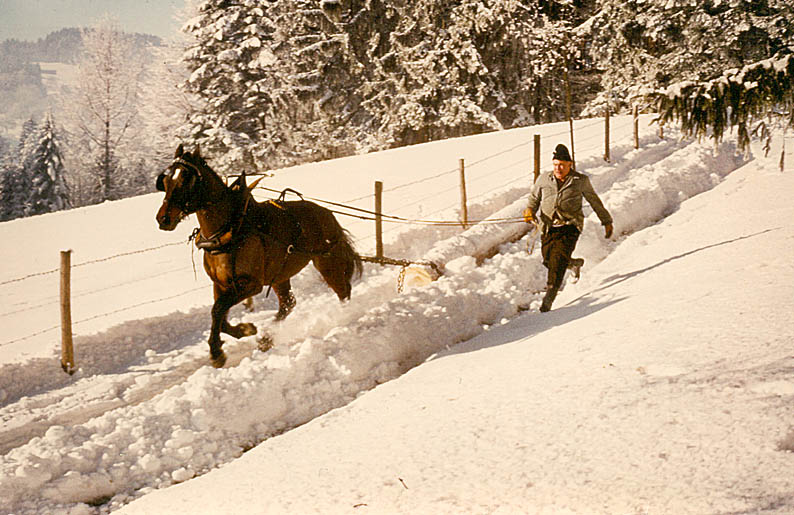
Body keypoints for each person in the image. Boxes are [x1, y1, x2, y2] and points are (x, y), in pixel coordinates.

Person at [523, 144, 613, 312]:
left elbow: (594, 201)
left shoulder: (580, 181)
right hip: (548, 227)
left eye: (562, 165)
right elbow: (534, 199)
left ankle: (547, 302)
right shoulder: (543, 179)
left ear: (570, 164)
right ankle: (573, 264)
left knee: (557, 262)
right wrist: (530, 210)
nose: (559, 168)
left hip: (570, 226)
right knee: (548, 260)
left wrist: (606, 221)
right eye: (556, 164)